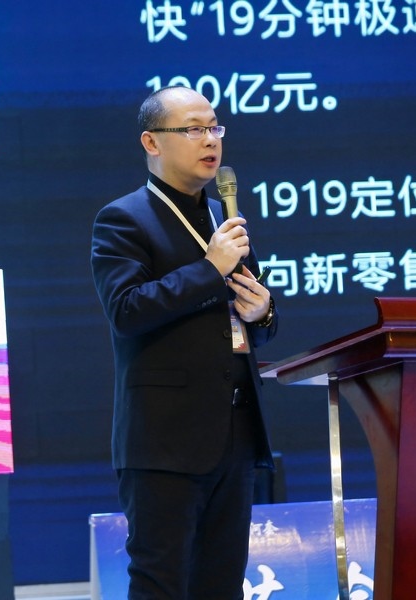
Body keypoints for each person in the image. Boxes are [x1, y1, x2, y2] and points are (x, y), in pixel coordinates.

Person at [90, 85, 278, 600]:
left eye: (214, 128)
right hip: (165, 440)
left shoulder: (223, 217)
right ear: (152, 142)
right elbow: (127, 311)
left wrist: (262, 311)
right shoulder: (124, 219)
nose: (210, 140)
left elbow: (251, 321)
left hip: (235, 433)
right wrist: (210, 269)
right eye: (193, 129)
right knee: (162, 584)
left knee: (221, 584)